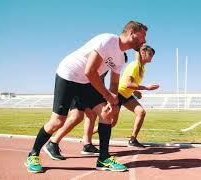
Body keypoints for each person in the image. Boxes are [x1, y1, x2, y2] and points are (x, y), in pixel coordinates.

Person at [24, 20, 147, 173]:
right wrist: (107, 95)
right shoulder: (108, 40)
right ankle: (33, 154)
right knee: (57, 121)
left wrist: (113, 101)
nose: (145, 40)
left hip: (87, 82)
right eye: (143, 36)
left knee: (105, 114)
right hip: (69, 74)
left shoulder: (121, 57)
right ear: (132, 33)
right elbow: (90, 71)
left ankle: (103, 158)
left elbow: (114, 83)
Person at [112, 44, 159, 148]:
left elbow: (131, 84)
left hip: (127, 95)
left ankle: (132, 140)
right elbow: (128, 83)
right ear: (143, 53)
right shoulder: (135, 65)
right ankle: (87, 136)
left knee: (141, 112)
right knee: (111, 123)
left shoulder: (142, 68)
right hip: (119, 94)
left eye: (152, 55)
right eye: (150, 54)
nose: (152, 56)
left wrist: (135, 91)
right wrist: (146, 88)